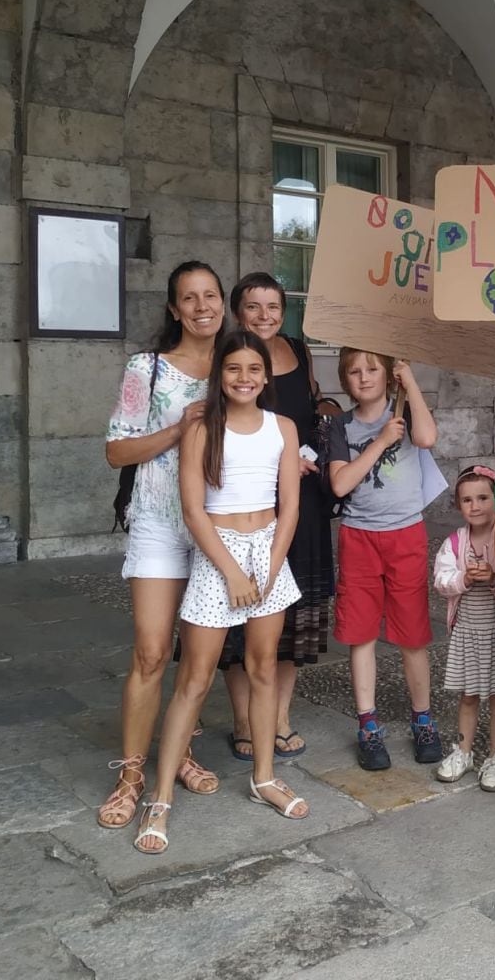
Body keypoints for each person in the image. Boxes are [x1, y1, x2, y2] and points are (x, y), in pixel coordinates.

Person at [133, 331, 306, 854]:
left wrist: (272, 566)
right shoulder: (203, 428)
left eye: (254, 369)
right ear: (219, 375)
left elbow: (290, 505)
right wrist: (231, 571)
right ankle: (160, 797)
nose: (245, 378)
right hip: (219, 553)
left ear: (266, 376)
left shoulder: (284, 427)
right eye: (234, 369)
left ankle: (263, 777)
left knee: (262, 668)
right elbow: (193, 510)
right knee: (195, 677)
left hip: (268, 550)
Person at [99, 261, 224, 831]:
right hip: (157, 521)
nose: (202, 307)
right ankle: (131, 774)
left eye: (211, 296)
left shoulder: (236, 367)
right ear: (174, 309)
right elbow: (116, 451)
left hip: (217, 527)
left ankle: (178, 756)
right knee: (151, 652)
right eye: (189, 298)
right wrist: (179, 427)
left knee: (198, 661)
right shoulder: (146, 369)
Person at [218, 273, 335, 761]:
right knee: (238, 610)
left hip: (300, 501)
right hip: (242, 501)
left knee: (293, 610)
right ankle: (245, 720)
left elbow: (311, 407)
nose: (265, 316)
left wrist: (324, 421)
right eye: (253, 307)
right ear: (237, 312)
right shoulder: (227, 358)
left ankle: (280, 716)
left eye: (273, 306)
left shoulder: (298, 351)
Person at [327, 349, 442, 771]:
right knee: (361, 633)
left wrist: (409, 383)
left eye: (372, 368)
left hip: (405, 534)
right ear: (345, 379)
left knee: (412, 633)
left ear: (387, 375)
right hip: (359, 536)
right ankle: (368, 724)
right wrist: (379, 442)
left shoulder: (405, 413)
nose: (363, 377)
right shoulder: (340, 425)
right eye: (354, 371)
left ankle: (423, 719)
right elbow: (340, 483)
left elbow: (427, 439)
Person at [432, 465, 495, 791]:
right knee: (468, 695)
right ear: (458, 505)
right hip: (466, 630)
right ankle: (463, 751)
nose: (475, 506)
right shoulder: (453, 543)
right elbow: (440, 580)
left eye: (482, 498)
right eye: (467, 500)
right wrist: (463, 578)